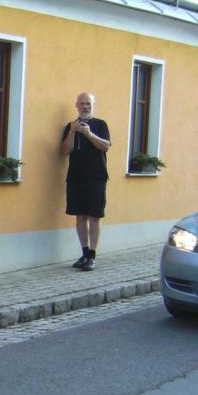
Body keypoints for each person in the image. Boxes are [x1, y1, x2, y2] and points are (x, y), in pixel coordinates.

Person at [60, 92, 111, 271]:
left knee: (94, 217)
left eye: (88, 104)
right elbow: (65, 151)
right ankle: (83, 253)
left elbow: (106, 146)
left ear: (93, 105)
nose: (85, 107)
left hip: (96, 176)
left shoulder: (100, 124)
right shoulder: (71, 126)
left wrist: (89, 134)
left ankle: (92, 255)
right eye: (82, 104)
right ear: (76, 105)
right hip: (76, 177)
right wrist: (73, 132)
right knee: (80, 216)